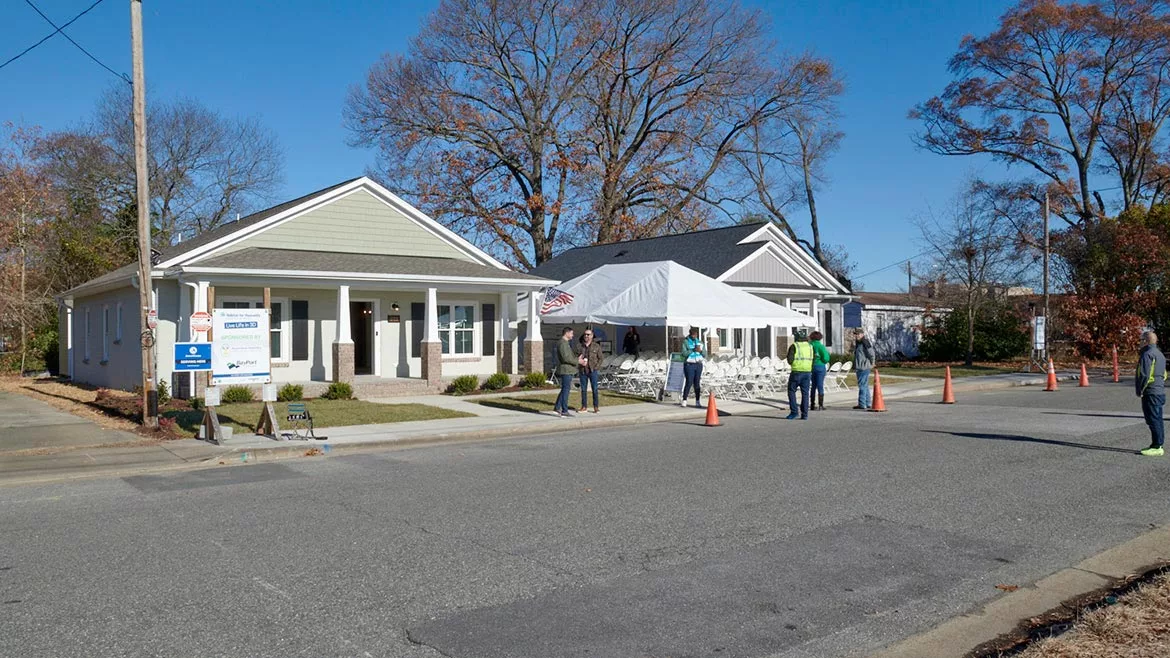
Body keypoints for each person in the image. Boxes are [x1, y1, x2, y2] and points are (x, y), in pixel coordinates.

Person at [1136, 330, 1167, 456]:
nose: (1139, 342)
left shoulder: (1147, 355)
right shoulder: (1160, 354)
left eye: (1141, 340)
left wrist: (1140, 390)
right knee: (1157, 418)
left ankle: (1157, 446)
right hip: (1159, 391)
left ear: (1145, 341)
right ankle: (1158, 444)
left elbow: (1144, 375)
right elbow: (1164, 374)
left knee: (1153, 419)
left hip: (1151, 392)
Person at [786, 329, 813, 419]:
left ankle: (794, 412)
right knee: (805, 393)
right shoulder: (810, 346)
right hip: (807, 372)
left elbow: (790, 360)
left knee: (791, 391)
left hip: (797, 371)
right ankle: (805, 414)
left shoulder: (794, 346)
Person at [578, 328, 604, 413]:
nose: (586, 336)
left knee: (595, 389)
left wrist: (596, 367)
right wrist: (579, 361)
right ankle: (584, 406)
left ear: (592, 336)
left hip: (592, 370)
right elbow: (576, 357)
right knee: (583, 390)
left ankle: (596, 407)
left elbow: (601, 358)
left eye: (588, 334)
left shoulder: (596, 346)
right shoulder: (580, 346)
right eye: (585, 334)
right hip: (583, 370)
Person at [553, 327, 577, 417]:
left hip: (568, 369)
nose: (572, 335)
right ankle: (564, 410)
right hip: (566, 370)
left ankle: (557, 407)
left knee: (564, 389)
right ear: (567, 333)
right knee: (566, 390)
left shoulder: (565, 343)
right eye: (571, 333)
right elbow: (566, 358)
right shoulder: (563, 343)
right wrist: (578, 361)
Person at [852, 328, 876, 410]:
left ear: (862, 334)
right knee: (865, 385)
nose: (857, 336)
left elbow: (872, 353)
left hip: (864, 367)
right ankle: (868, 403)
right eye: (856, 334)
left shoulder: (865, 342)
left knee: (862, 385)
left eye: (858, 334)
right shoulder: (858, 343)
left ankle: (862, 404)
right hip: (859, 366)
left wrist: (872, 363)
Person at [681, 327, 704, 408]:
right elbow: (683, 353)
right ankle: (684, 399)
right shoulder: (686, 342)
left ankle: (697, 401)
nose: (694, 336)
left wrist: (700, 351)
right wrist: (693, 350)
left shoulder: (700, 342)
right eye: (692, 335)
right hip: (689, 364)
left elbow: (705, 354)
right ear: (690, 334)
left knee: (697, 383)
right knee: (689, 382)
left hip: (698, 364)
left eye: (695, 335)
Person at [809, 330, 831, 411]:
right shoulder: (820, 346)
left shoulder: (809, 345)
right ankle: (820, 404)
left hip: (811, 366)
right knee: (820, 385)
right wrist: (823, 360)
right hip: (820, 366)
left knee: (813, 386)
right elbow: (826, 358)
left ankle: (812, 404)